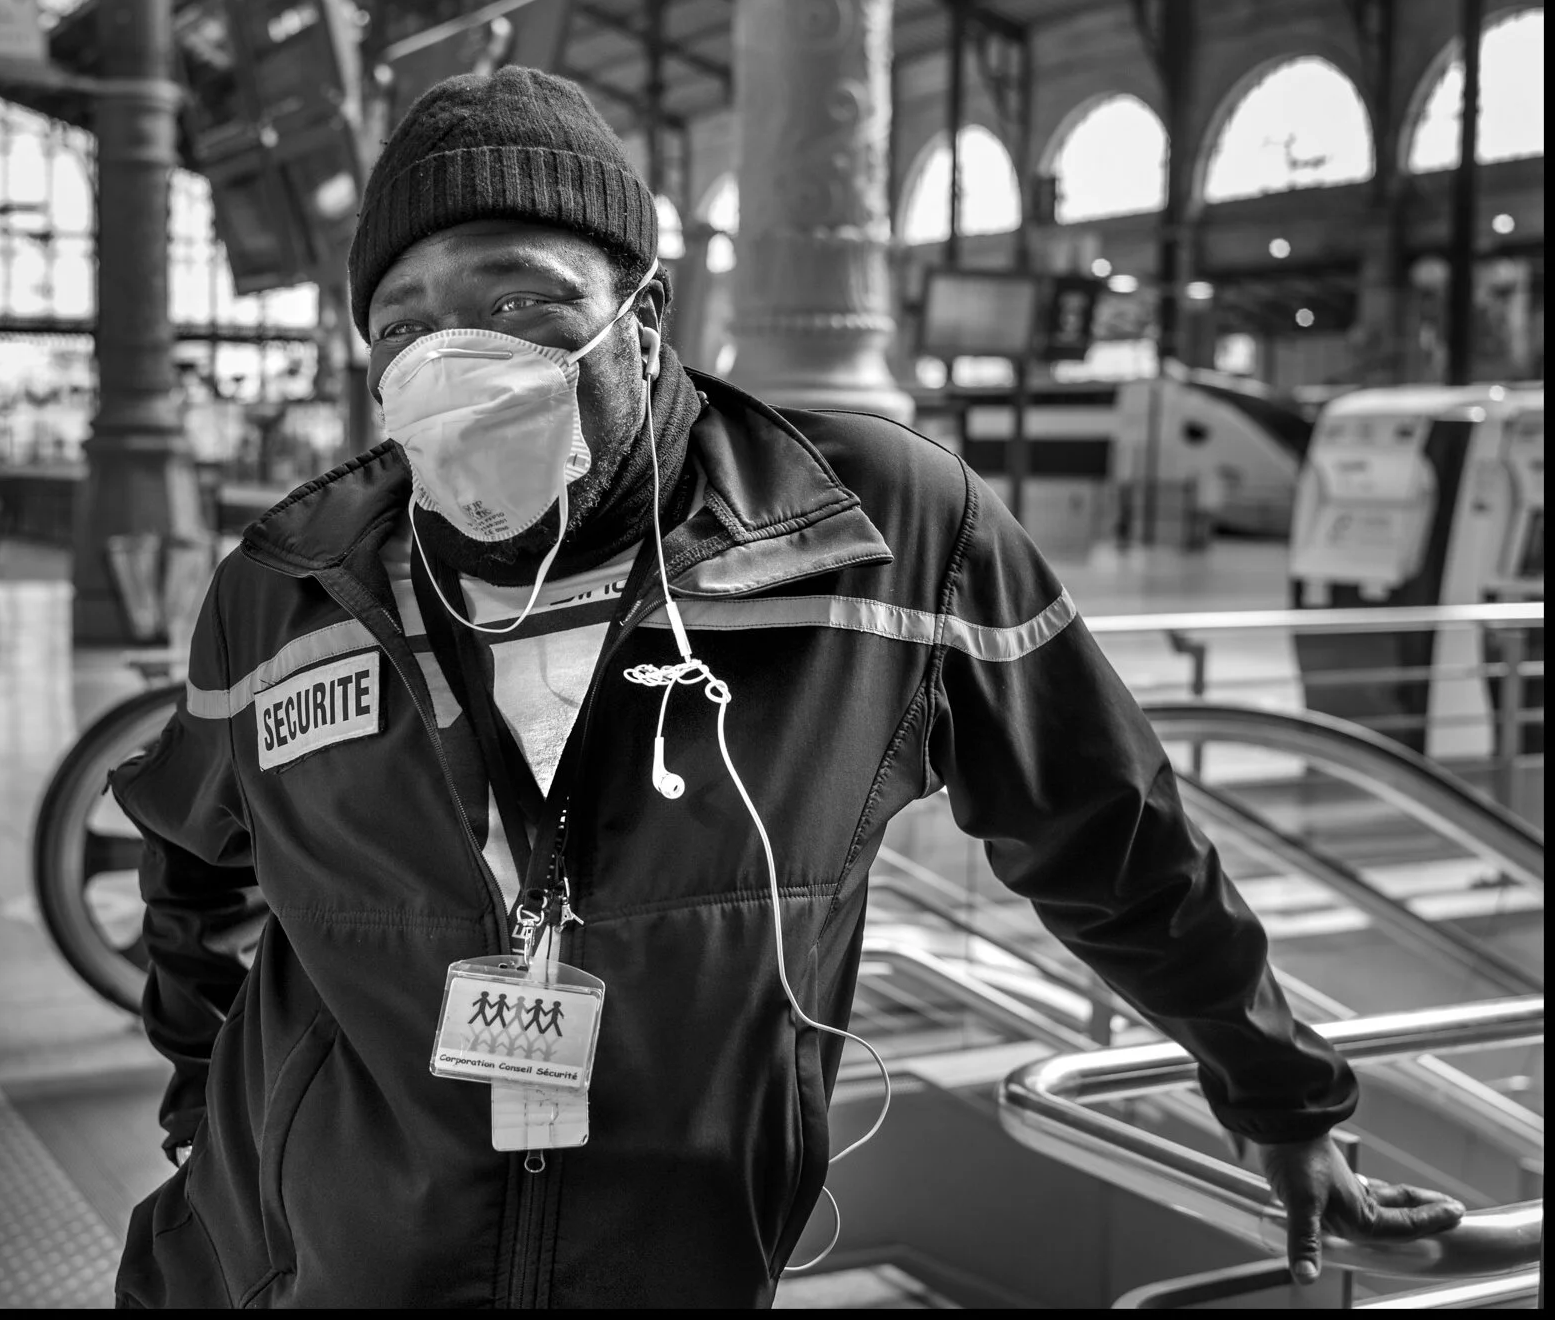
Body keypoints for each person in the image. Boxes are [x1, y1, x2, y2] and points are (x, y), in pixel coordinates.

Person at [110, 67, 1463, 1309]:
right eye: (405, 324)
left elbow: (1112, 832)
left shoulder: (878, 537)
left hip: (673, 1272)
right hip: (298, 1275)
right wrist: (216, 1118)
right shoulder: (293, 584)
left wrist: (1280, 1096)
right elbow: (194, 872)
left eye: (524, 300)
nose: (460, 356)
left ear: (644, 322)